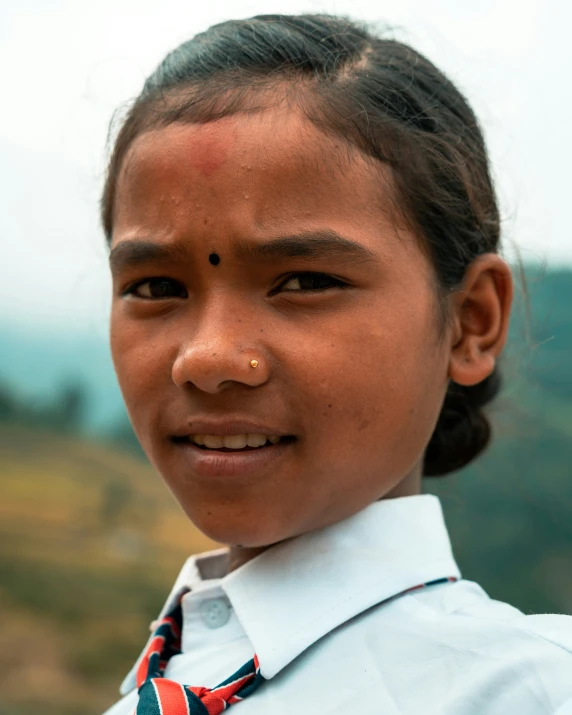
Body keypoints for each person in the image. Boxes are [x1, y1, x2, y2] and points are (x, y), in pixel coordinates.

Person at [100, 13, 572, 715]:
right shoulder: (170, 679)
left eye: (304, 281)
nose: (207, 358)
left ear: (471, 323)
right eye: (156, 287)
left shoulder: (523, 689)